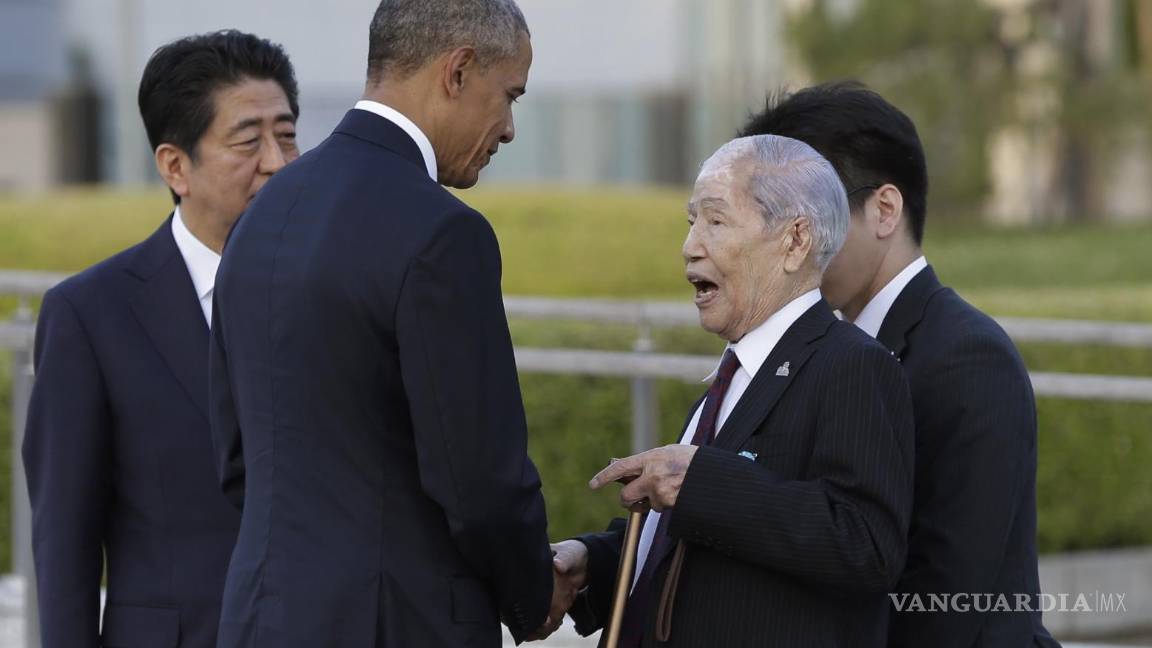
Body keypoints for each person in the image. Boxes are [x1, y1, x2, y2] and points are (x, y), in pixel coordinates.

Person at [209, 1, 561, 646]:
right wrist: (532, 591)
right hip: (397, 623)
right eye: (509, 95)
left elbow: (238, 460)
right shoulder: (443, 231)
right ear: (457, 71)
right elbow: (478, 483)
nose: (508, 128)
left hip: (260, 617)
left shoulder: (264, 212)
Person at [554, 134, 916, 647]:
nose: (690, 245)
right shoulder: (735, 375)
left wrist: (699, 479)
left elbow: (866, 545)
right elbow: (694, 549)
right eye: (691, 221)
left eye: (715, 221)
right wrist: (592, 561)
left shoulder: (852, 365)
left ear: (795, 241)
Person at [740, 81, 1060, 647]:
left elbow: (945, 598)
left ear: (884, 209)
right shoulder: (815, 348)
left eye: (808, 214)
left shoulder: (965, 356)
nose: (788, 242)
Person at [22, 30, 300, 648]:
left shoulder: (335, 292)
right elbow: (64, 543)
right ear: (176, 166)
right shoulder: (90, 315)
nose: (278, 162)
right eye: (249, 141)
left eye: (286, 135)